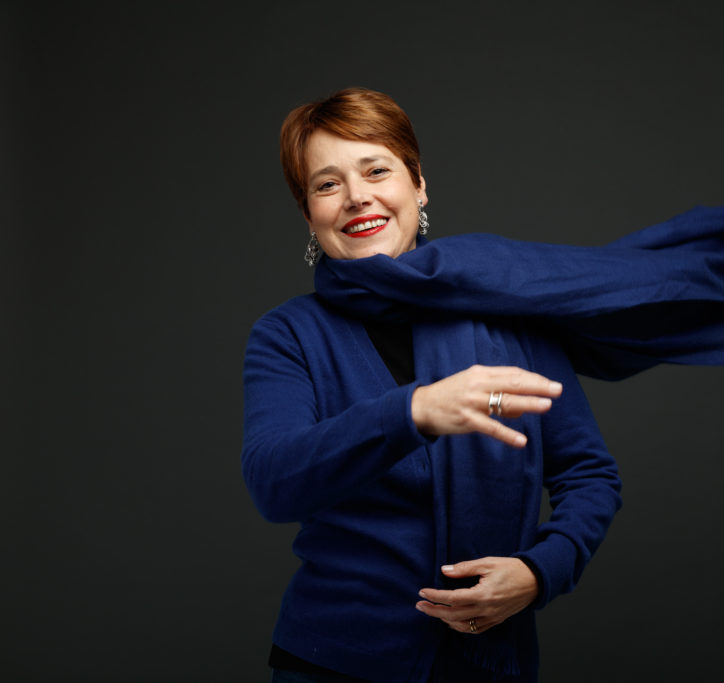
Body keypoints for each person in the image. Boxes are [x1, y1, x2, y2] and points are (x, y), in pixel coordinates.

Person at [242, 88, 623, 682]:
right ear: (309, 213)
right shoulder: (288, 334)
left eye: (376, 170)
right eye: (327, 184)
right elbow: (273, 482)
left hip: (488, 661)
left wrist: (540, 571)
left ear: (418, 185)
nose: (357, 196)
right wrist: (414, 411)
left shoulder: (505, 311)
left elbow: (589, 473)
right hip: (334, 660)